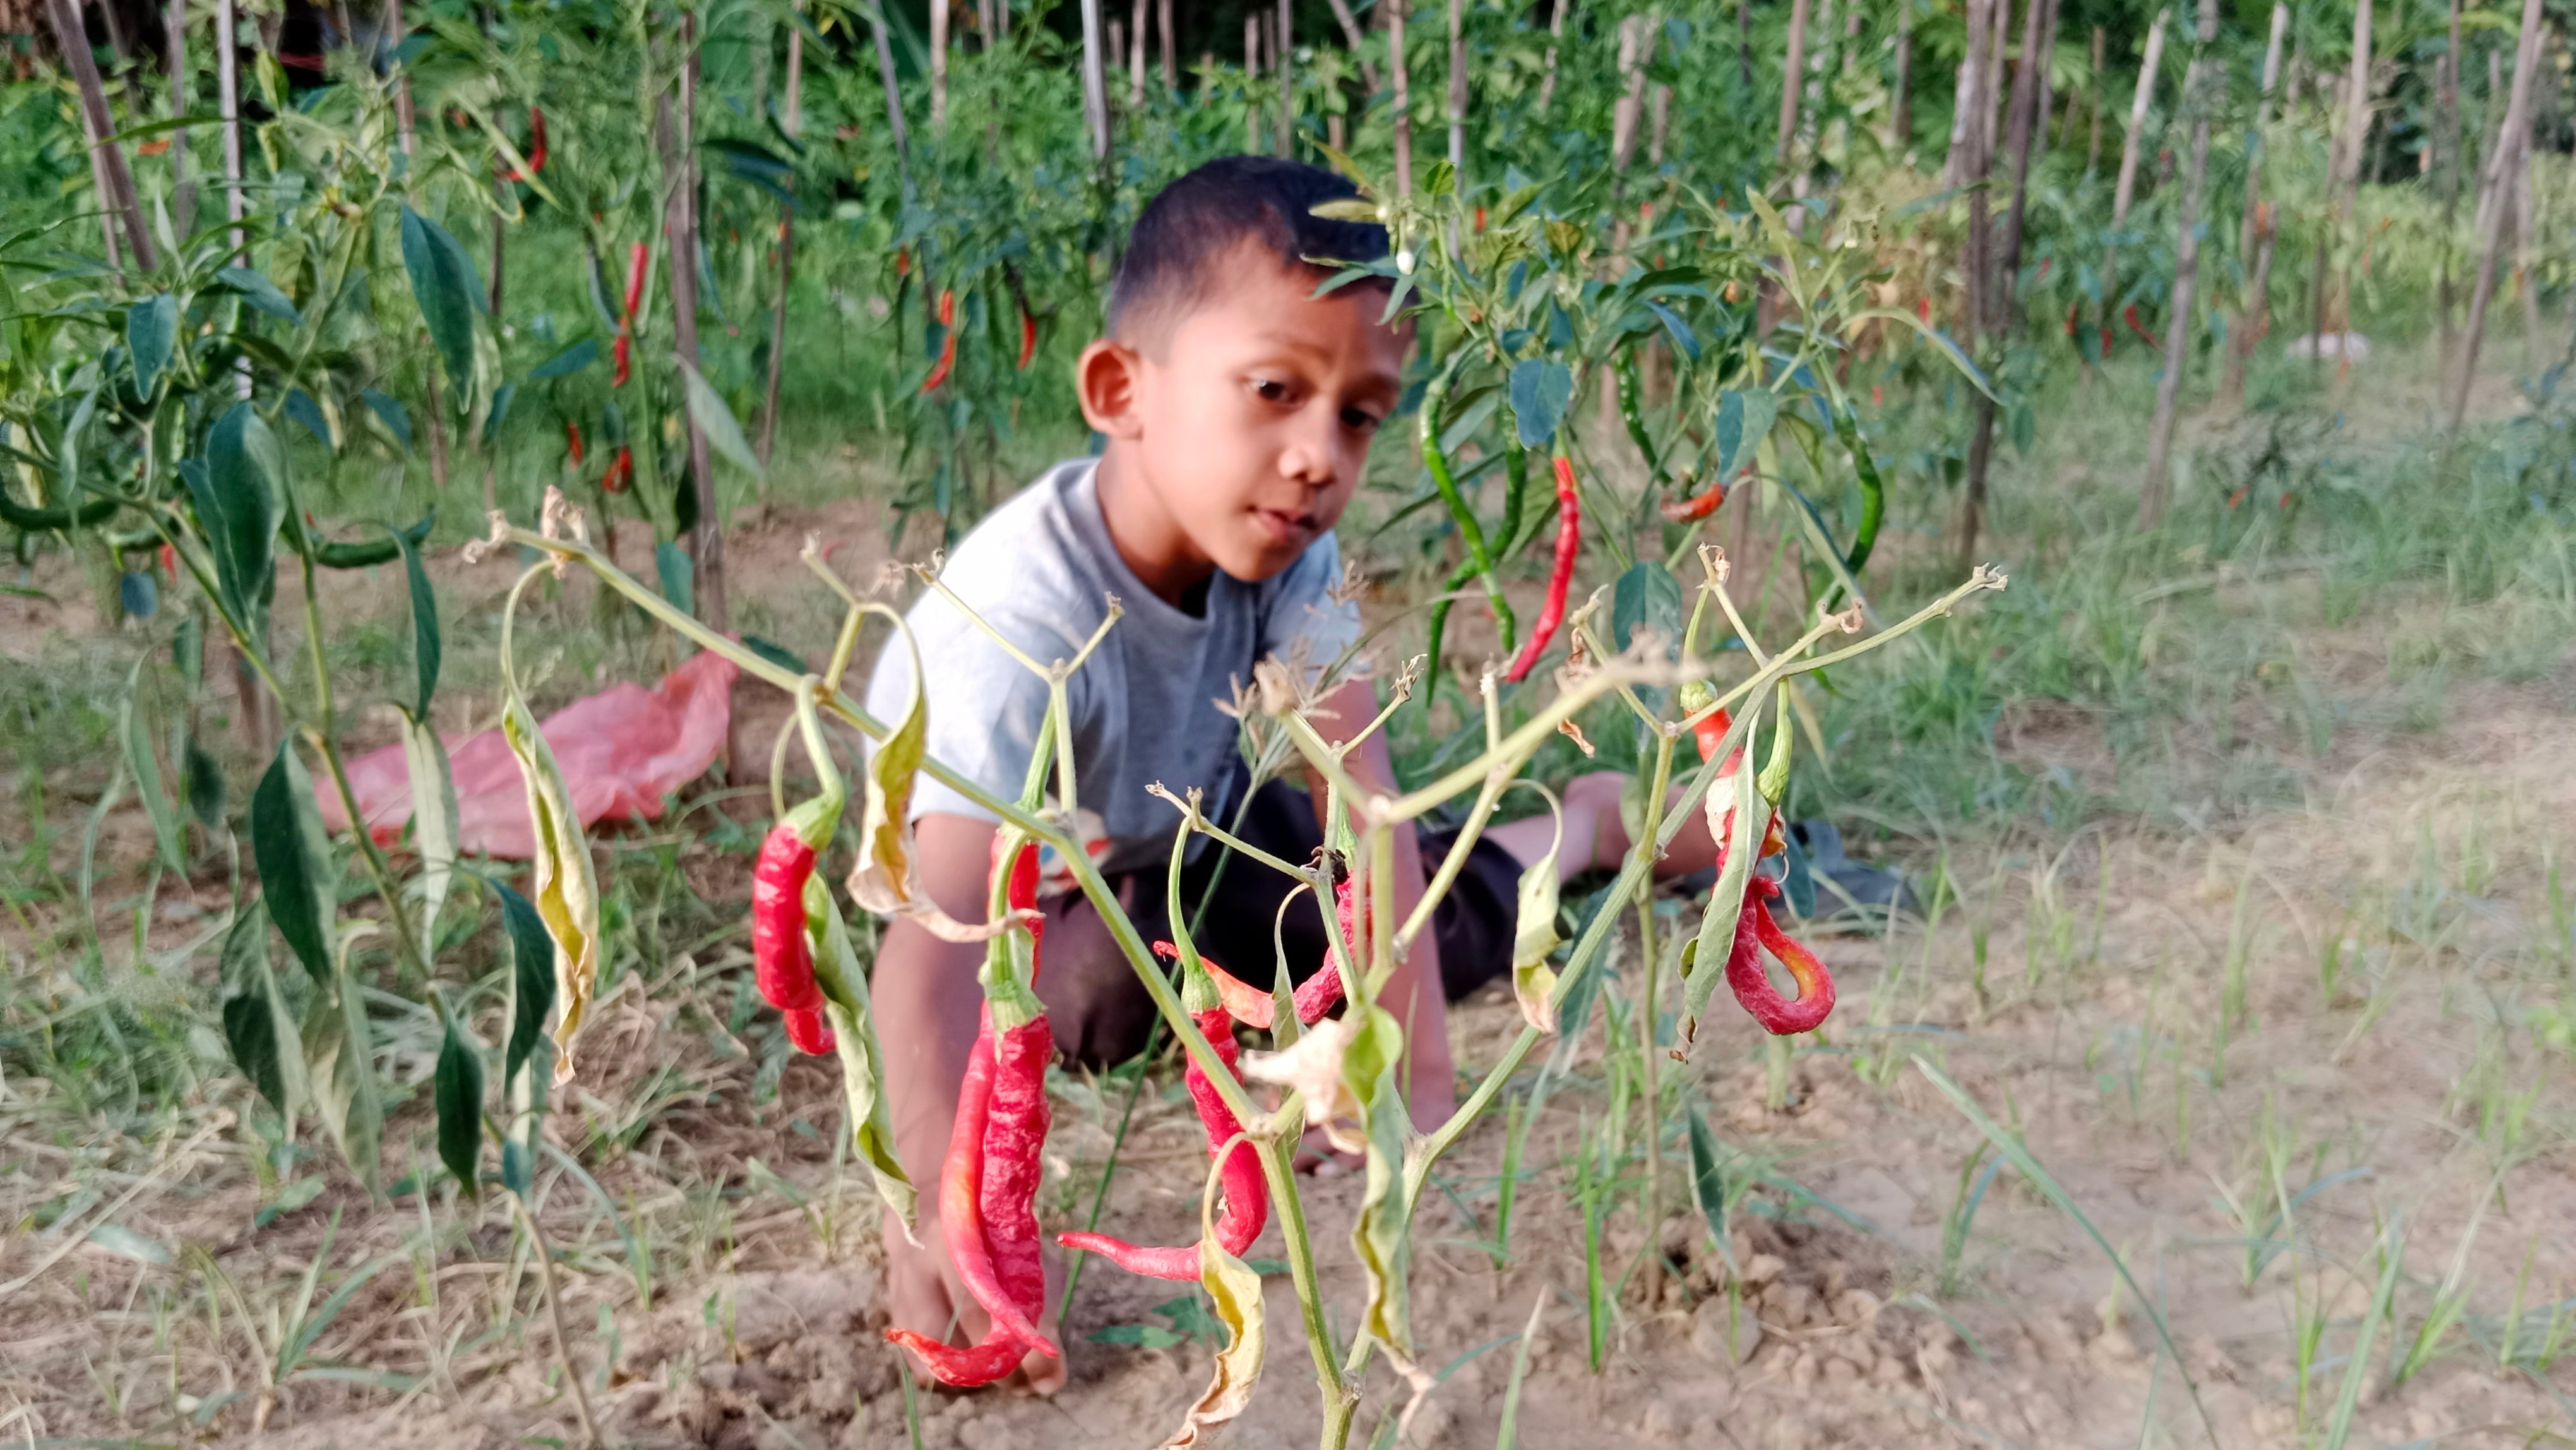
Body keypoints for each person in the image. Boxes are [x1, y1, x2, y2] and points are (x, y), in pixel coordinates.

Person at [864, 155, 1716, 1390]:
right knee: (1085, 994)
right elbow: (935, 938)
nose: (1320, 454)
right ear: (1122, 390)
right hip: (1031, 892)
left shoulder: (1292, 564)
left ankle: (1581, 832)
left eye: (1358, 413)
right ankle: (1568, 833)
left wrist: (1414, 1080)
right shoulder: (1017, 621)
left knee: (1373, 910)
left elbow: (1366, 811)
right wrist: (941, 1219)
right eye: (1274, 390)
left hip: (1193, 840)